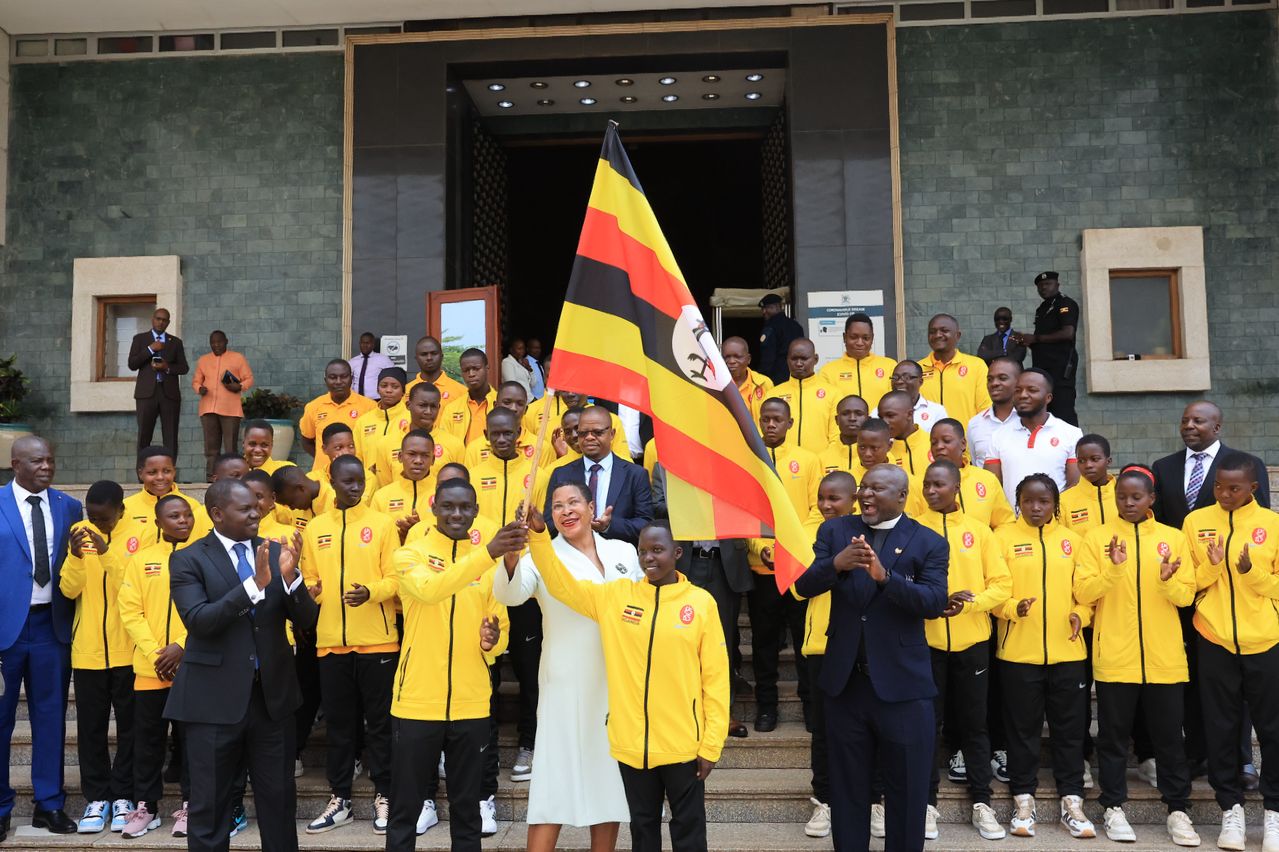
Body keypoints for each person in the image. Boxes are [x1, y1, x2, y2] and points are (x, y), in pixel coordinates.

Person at [527, 514, 729, 852]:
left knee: (689, 833)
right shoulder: (617, 597)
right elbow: (562, 585)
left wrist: (711, 746)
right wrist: (538, 537)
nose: (649, 558)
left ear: (677, 553)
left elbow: (716, 679)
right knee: (642, 831)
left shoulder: (700, 603)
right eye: (643, 551)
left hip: (683, 746)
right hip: (632, 747)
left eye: (657, 550)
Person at [793, 464, 948, 852]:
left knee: (907, 791)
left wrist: (885, 578)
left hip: (903, 687)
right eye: (864, 487)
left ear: (901, 496)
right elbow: (803, 585)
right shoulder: (834, 532)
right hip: (846, 685)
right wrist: (836, 564)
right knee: (847, 789)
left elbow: (933, 602)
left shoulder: (928, 542)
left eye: (877, 489)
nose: (866, 495)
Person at [163, 479, 318, 852]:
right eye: (245, 508)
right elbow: (200, 621)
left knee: (279, 803)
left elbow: (307, 621)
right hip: (213, 703)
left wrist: (292, 579)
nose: (256, 513)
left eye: (256, 506)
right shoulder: (188, 559)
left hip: (272, 701)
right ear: (217, 514)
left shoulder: (276, 551)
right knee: (210, 806)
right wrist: (255, 585)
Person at [493, 482, 638, 852]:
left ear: (591, 508)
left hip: (616, 682)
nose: (566, 510)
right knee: (552, 783)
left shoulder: (623, 551)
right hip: (565, 682)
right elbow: (510, 594)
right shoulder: (542, 556)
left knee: (608, 783)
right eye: (558, 506)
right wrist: (512, 555)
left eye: (574, 502)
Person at [384, 480, 518, 852]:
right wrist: (486, 553)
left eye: (464, 507)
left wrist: (492, 642)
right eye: (448, 506)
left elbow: (500, 632)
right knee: (405, 809)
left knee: (468, 811)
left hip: (471, 704)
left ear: (476, 511)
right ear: (434, 509)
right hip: (416, 703)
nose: (456, 514)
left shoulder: (489, 568)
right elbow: (431, 590)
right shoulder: (409, 555)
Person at [1073, 465, 1201, 847]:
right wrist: (1113, 570)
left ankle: (1178, 810)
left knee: (1169, 739)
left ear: (1151, 499)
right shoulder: (1097, 538)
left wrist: (1167, 580)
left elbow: (1186, 597)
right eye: (1121, 497)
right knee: (1112, 738)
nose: (1128, 503)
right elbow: (1083, 591)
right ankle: (1113, 807)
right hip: (1115, 655)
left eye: (1136, 497)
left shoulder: (1172, 538)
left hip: (1164, 658)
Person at [1151, 400, 1270, 784]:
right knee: (1194, 679)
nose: (1189, 425)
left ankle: (1242, 760)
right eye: (1185, 420)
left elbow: (1258, 529)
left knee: (1238, 686)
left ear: (1217, 426)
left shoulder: (1245, 464)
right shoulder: (1163, 467)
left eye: (1199, 420)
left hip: (1235, 600)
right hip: (1183, 589)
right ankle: (1197, 752)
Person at [1181, 452, 1279, 852]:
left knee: (1272, 729)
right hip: (1214, 637)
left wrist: (1250, 573)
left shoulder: (1272, 524)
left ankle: (1273, 812)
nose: (1223, 493)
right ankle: (1230, 810)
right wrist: (1212, 567)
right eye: (1219, 486)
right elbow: (1188, 582)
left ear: (1253, 487)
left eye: (1233, 488)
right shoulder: (1196, 522)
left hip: (1266, 639)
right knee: (1220, 727)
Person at [299, 455, 399, 836]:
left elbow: (395, 579)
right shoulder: (316, 528)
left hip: (378, 642)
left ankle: (385, 794)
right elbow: (309, 577)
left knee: (381, 724)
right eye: (348, 481)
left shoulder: (382, 524)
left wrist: (371, 592)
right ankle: (339, 798)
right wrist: (312, 591)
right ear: (331, 480)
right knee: (339, 727)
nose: (355, 487)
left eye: (360, 481)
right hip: (330, 645)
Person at [994, 473, 1094, 840]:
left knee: (1070, 732)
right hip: (1018, 655)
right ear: (1018, 502)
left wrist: (1080, 615)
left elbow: (1086, 595)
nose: (1036, 507)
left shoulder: (1073, 541)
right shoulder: (1001, 538)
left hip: (1068, 654)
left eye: (1044, 501)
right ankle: (1023, 801)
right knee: (1022, 733)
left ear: (1056, 505)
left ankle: (1073, 802)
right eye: (1028, 501)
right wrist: (1012, 608)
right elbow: (994, 591)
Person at [917, 460, 1011, 842]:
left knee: (975, 725)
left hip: (972, 642)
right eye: (927, 484)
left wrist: (969, 605)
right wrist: (930, 604)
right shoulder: (913, 530)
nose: (931, 490)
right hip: (926, 644)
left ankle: (982, 802)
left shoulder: (979, 531)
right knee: (927, 725)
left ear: (957, 487)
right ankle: (926, 804)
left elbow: (1001, 585)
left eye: (939, 484)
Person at [0, 437, 82, 839]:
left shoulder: (70, 506)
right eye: (36, 461)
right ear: (16, 464)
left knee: (50, 717)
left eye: (50, 460)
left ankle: (49, 804)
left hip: (52, 626)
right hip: (5, 631)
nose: (46, 467)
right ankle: (1, 807)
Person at [651, 464, 752, 740]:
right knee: (678, 640)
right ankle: (681, 711)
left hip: (723, 565)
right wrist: (694, 500)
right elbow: (657, 507)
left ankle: (724, 713)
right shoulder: (666, 463)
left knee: (723, 642)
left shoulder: (729, 459)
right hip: (685, 561)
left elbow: (747, 501)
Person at [60, 481, 136, 834]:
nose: (96, 523)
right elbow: (68, 589)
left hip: (129, 650)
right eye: (91, 516)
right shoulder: (78, 532)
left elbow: (130, 587)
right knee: (90, 728)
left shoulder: (139, 533)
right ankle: (97, 797)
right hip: (87, 650)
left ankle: (123, 795)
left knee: (130, 727)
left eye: (103, 518)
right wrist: (76, 557)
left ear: (121, 510)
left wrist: (106, 552)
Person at [116, 494, 194, 839]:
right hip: (150, 669)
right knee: (147, 743)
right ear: (158, 522)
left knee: (190, 741)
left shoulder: (204, 556)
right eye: (174, 516)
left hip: (191, 667)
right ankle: (146, 806)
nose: (182, 520)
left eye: (187, 514)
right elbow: (130, 611)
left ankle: (191, 805)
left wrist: (181, 646)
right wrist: (155, 654)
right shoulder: (141, 559)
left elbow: (208, 608)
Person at [794, 471, 858, 840]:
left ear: (854, 499)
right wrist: (835, 563)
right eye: (821, 497)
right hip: (820, 643)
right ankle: (824, 800)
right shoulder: (807, 531)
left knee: (866, 727)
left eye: (834, 498)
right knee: (823, 729)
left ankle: (872, 800)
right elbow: (799, 588)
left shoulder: (870, 530)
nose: (826, 505)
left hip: (863, 644)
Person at [749, 398, 819, 733]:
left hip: (799, 568)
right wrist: (763, 547)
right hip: (764, 570)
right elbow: (745, 511)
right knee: (764, 643)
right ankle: (766, 706)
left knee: (804, 640)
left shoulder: (808, 460)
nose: (771, 424)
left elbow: (818, 510)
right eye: (766, 419)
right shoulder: (750, 460)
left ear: (790, 423)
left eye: (778, 419)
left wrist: (793, 549)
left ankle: (810, 705)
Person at [542, 406, 653, 545]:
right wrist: (574, 525)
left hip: (618, 553)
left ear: (612, 434)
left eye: (597, 432)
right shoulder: (561, 474)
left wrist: (609, 526)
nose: (589, 437)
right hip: (572, 553)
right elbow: (550, 522)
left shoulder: (635, 474)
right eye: (583, 433)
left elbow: (645, 524)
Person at [984, 368, 1082, 501]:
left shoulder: (1071, 434)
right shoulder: (998, 436)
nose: (1023, 395)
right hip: (1010, 515)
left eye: (1032, 390)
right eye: (1018, 390)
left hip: (1058, 514)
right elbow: (992, 487)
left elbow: (1075, 486)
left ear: (1048, 398)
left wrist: (1053, 511)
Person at [118, 446, 213, 562]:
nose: (160, 477)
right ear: (140, 473)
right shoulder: (125, 508)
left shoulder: (192, 506)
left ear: (174, 472)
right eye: (152, 472)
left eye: (167, 471)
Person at [1012, 271, 1080, 426]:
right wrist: (1026, 340)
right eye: (1040, 286)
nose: (1043, 288)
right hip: (1043, 367)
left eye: (1048, 284)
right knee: (1045, 410)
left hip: (1061, 368)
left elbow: (1068, 333)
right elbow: (1043, 338)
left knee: (1063, 409)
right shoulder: (1042, 308)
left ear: (1057, 285)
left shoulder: (1065, 304)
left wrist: (1035, 338)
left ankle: (1073, 441)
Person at [368, 381, 465, 489]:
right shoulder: (385, 444)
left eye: (433, 406)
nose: (428, 412)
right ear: (408, 405)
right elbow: (385, 488)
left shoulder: (455, 445)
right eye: (423, 405)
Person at [926, 419, 1014, 530]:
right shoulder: (922, 486)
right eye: (934, 443)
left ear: (963, 444)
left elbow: (1005, 523)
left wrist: (988, 540)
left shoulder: (987, 479)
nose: (939, 446)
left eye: (946, 441)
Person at [192, 330, 254, 481]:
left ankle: (231, 477)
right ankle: (211, 477)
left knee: (230, 447)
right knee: (211, 447)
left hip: (230, 409)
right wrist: (199, 388)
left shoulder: (237, 358)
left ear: (226, 341)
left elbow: (249, 378)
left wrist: (239, 386)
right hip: (208, 408)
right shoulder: (203, 360)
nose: (216, 345)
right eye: (213, 343)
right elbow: (196, 381)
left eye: (219, 342)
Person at [128, 308, 189, 460]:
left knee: (171, 436)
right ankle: (142, 471)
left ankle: (170, 470)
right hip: (146, 394)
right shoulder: (140, 339)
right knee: (144, 435)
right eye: (158, 319)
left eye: (164, 320)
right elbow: (132, 364)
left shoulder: (175, 342)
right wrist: (150, 349)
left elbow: (184, 368)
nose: (161, 322)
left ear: (168, 323)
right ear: (152, 319)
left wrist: (167, 367)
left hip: (169, 394)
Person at [298, 359, 376, 475]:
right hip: (323, 477)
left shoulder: (369, 406)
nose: (338, 382)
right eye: (333, 377)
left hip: (356, 475)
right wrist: (325, 457)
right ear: (325, 380)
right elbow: (306, 441)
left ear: (352, 379)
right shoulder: (313, 407)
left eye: (344, 377)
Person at [918, 313, 991, 428]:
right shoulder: (917, 369)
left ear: (957, 335)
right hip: (926, 439)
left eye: (944, 330)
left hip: (965, 438)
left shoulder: (976, 366)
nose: (937, 335)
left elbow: (986, 410)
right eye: (932, 332)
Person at [766, 338, 836, 453]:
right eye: (794, 359)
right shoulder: (773, 394)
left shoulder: (833, 394)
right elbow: (764, 434)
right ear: (787, 360)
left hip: (820, 462)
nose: (799, 363)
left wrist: (825, 460)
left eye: (804, 359)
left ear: (816, 359)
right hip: (782, 461)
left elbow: (836, 437)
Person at [816, 312, 897, 412]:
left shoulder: (890, 367)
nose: (859, 343)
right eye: (854, 337)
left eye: (865, 338)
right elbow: (824, 408)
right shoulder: (827, 372)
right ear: (844, 337)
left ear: (872, 338)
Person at [370, 430, 437, 542]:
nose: (418, 461)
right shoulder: (381, 497)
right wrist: (398, 539)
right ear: (400, 457)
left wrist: (417, 532)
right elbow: (375, 541)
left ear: (433, 460)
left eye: (425, 455)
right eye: (412, 454)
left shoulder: (443, 494)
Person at [967, 356, 1021, 469]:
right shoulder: (975, 424)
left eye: (1002, 378)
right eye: (990, 379)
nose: (994, 383)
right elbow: (976, 465)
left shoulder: (1030, 420)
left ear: (1019, 382)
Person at [441, 348, 498, 445]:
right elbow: (445, 445)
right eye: (466, 370)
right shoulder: (452, 409)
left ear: (487, 369)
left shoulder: (501, 403)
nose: (471, 374)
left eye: (476, 369)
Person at [353, 367, 409, 466]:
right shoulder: (363, 421)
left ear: (403, 391)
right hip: (369, 476)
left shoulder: (411, 419)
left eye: (395, 387)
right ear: (377, 389)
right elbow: (356, 456)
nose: (388, 390)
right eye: (384, 386)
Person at [1061, 434, 1115, 533]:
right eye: (1081, 461)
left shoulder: (1124, 496)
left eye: (1095, 459)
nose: (1088, 465)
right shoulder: (1063, 501)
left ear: (1108, 461)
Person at [876, 390, 932, 479]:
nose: (884, 422)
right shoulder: (882, 453)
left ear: (909, 414)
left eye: (890, 416)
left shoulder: (934, 445)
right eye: (881, 417)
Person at [722, 335, 774, 425]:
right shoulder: (715, 385)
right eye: (726, 357)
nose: (731, 361)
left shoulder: (764, 383)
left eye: (737, 357)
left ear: (748, 359)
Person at [879, 359, 948, 427]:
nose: (899, 381)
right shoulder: (879, 412)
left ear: (920, 381)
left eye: (906, 377)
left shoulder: (937, 412)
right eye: (895, 377)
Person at [818, 394, 870, 479]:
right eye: (845, 413)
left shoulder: (881, 457)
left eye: (859, 414)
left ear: (868, 419)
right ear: (836, 420)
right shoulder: (820, 460)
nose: (852, 418)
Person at [405, 335, 466, 407]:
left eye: (434, 353)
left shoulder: (461, 391)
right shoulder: (406, 391)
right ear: (416, 358)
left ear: (442, 356)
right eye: (424, 354)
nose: (429, 358)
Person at [757, 292, 804, 385]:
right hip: (795, 374)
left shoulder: (771, 327)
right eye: (763, 309)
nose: (764, 312)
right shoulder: (796, 326)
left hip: (776, 376)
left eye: (767, 308)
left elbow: (768, 355)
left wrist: (761, 376)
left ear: (778, 307)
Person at [351, 332, 394, 400]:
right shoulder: (352, 362)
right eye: (362, 343)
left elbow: (393, 377)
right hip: (357, 400)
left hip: (377, 399)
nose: (365, 345)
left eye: (367, 343)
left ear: (373, 345)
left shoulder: (383, 359)